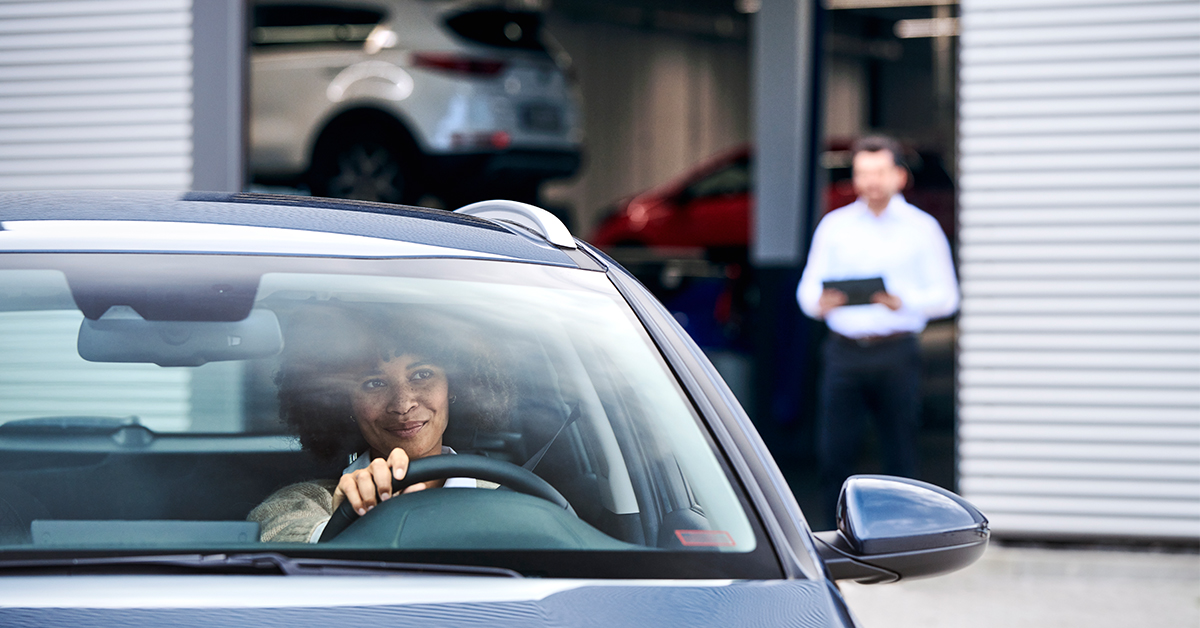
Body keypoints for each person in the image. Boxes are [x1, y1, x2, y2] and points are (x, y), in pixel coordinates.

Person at [249, 305, 514, 542]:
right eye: (374, 383)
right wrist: (351, 519)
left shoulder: (508, 499)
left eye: (422, 375)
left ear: (453, 386)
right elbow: (279, 535)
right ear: (343, 404)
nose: (402, 404)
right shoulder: (304, 503)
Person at [796, 135, 960, 516]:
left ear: (899, 177)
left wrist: (902, 301)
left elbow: (948, 296)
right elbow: (806, 292)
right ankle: (833, 533)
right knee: (835, 451)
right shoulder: (834, 226)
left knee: (899, 450)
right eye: (863, 173)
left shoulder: (923, 228)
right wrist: (820, 303)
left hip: (896, 350)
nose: (871, 181)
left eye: (880, 172)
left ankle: (902, 531)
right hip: (844, 351)